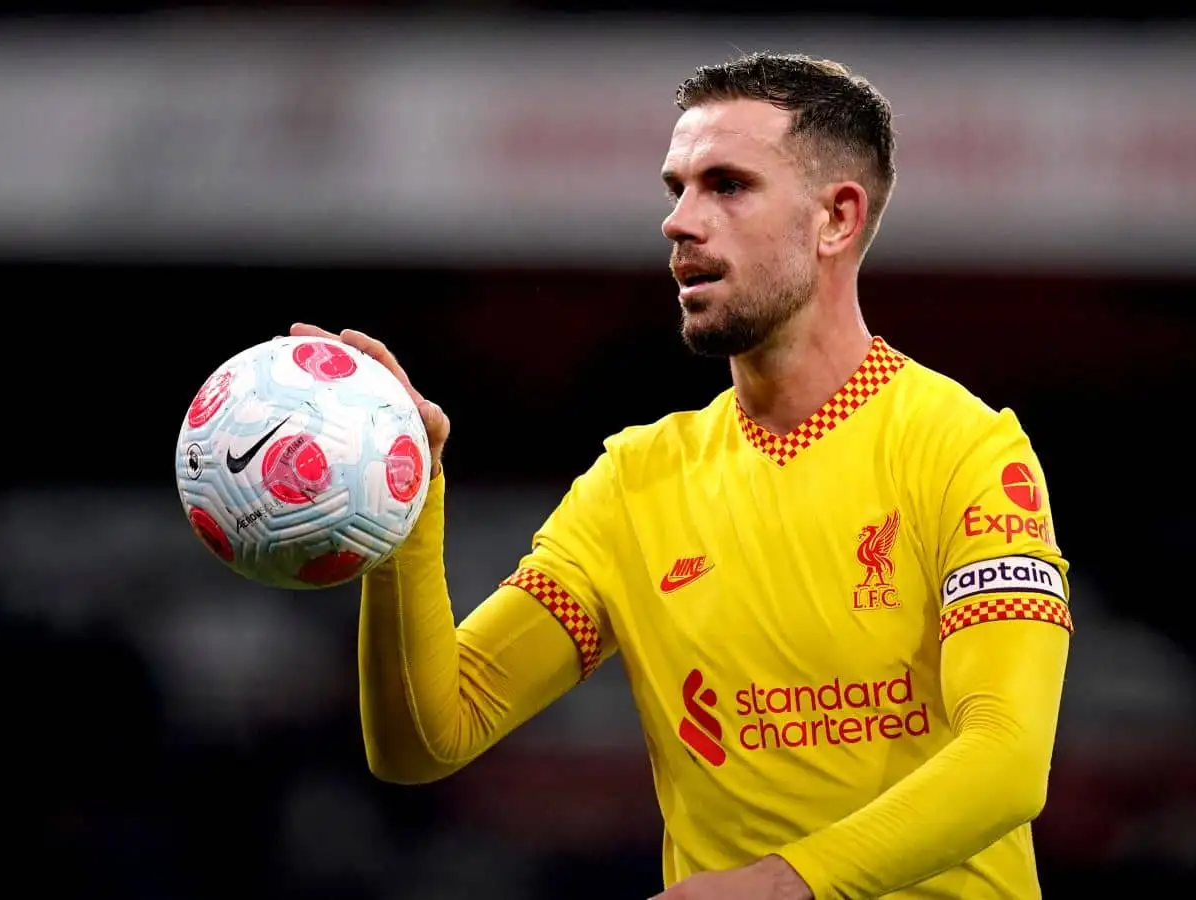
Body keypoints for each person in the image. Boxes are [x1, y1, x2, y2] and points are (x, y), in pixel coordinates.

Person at [294, 51, 1073, 900]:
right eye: (678, 189)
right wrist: (403, 499)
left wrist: (781, 886)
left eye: (727, 185)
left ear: (836, 219)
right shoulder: (636, 482)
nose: (679, 221)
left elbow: (1006, 761)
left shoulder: (964, 450)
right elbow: (425, 739)